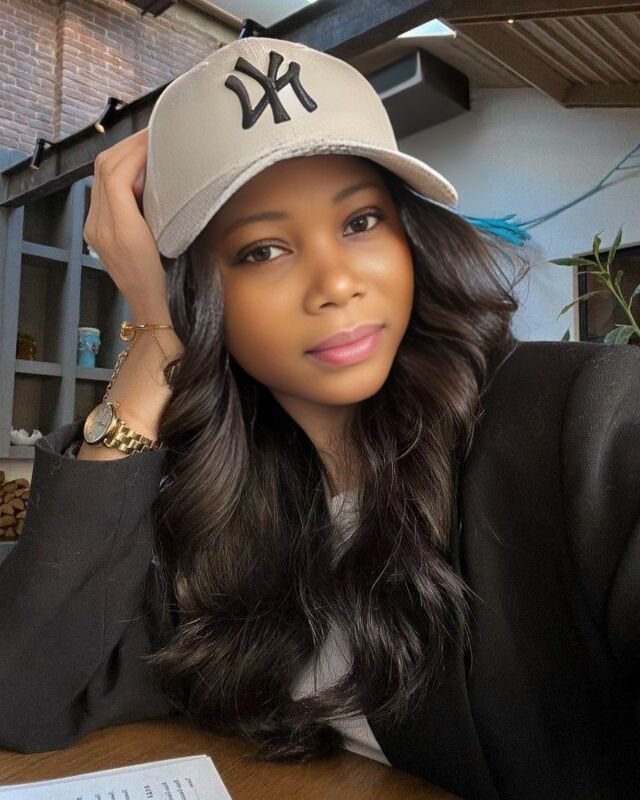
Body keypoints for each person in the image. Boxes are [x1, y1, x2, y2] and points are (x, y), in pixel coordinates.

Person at [1, 35, 639, 800]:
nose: (336, 282)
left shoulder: (591, 422)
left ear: (410, 236)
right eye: (263, 250)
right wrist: (156, 337)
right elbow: (24, 694)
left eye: (361, 221)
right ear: (198, 294)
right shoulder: (216, 514)